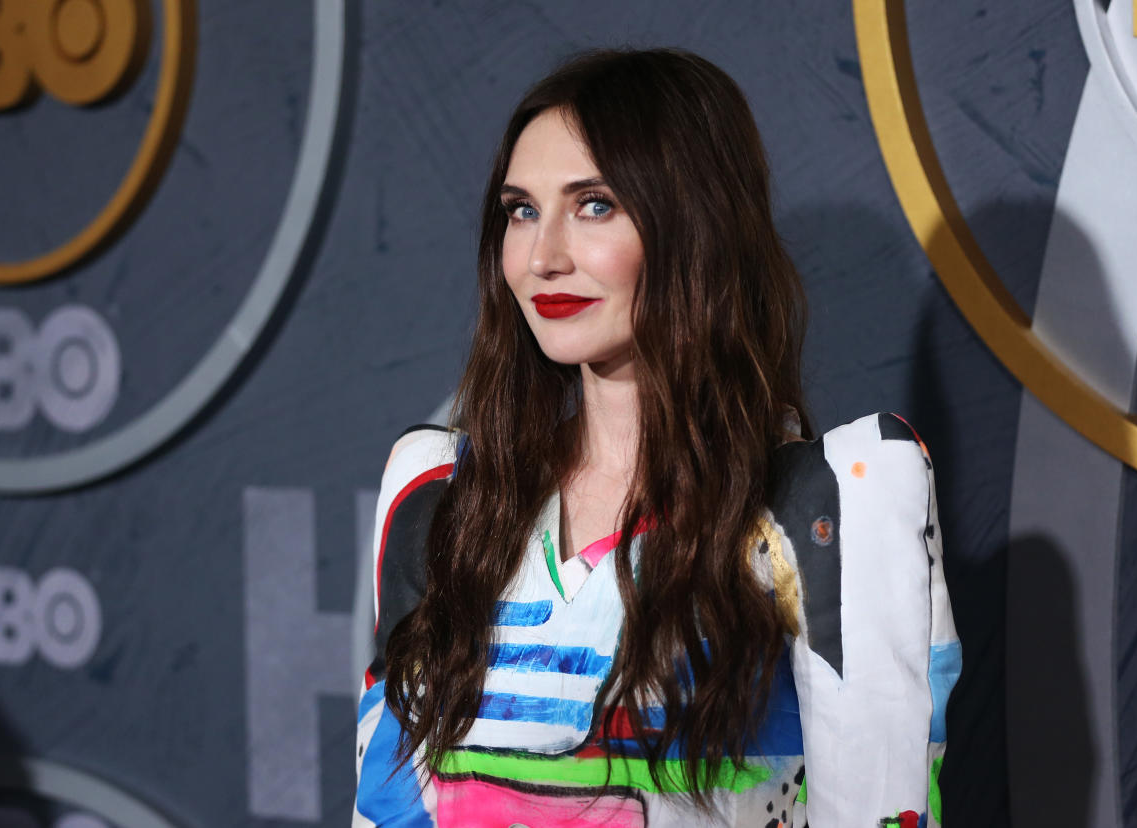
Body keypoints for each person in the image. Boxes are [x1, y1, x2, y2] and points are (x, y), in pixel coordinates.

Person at [354, 48, 960, 827]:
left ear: (693, 224)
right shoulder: (439, 496)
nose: (544, 258)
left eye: (595, 205)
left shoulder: (833, 503)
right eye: (522, 210)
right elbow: (387, 802)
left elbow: (880, 808)